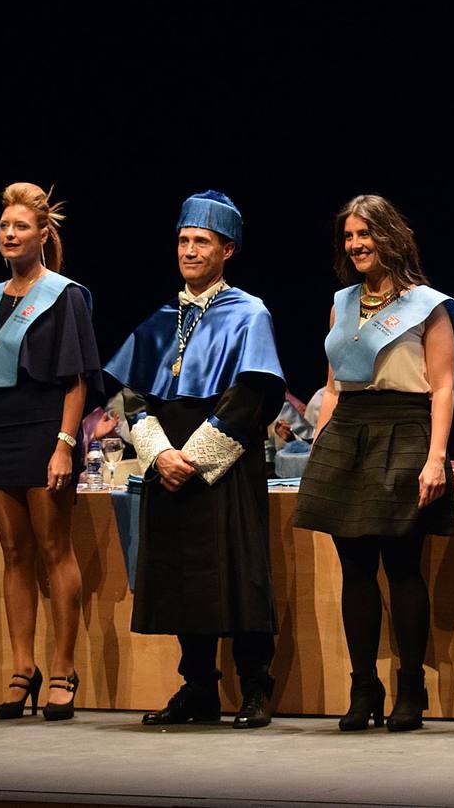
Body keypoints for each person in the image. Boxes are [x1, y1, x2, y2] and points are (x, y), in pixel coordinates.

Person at [104, 190, 286, 730]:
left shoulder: (249, 314)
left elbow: (252, 396)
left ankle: (255, 688)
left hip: (223, 465)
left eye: (201, 241)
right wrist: (160, 454)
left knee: (239, 573)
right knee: (185, 577)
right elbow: (130, 397)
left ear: (226, 249)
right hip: (170, 467)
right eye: (183, 240)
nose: (189, 250)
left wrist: (196, 456)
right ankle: (198, 687)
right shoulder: (161, 318)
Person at [292, 195, 454, 732]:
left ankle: (411, 687)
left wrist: (437, 458)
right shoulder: (341, 303)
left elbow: (444, 386)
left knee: (403, 569)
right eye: (348, 236)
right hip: (348, 433)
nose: (356, 244)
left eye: (365, 233)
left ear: (390, 236)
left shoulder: (426, 305)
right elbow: (333, 383)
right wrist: (320, 442)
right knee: (355, 570)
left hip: (406, 430)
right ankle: (364, 687)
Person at [0, 183, 102, 721]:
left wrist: (65, 447)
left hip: (46, 431)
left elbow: (77, 382)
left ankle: (62, 667)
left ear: (43, 234)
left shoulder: (65, 295)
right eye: (3, 227)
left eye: (20, 226)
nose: (10, 234)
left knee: (52, 549)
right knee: (13, 554)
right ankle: (23, 667)